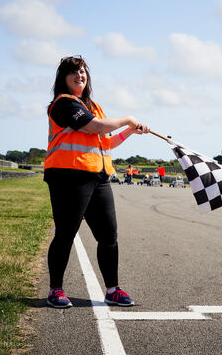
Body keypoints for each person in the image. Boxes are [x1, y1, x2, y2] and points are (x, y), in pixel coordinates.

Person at [43, 55, 150, 308]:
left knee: (109, 235)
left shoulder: (94, 106)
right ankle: (55, 290)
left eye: (82, 72)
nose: (79, 76)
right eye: (73, 73)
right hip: (69, 176)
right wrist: (127, 118)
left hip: (98, 177)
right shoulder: (64, 104)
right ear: (63, 79)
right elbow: (95, 128)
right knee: (66, 234)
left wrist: (129, 132)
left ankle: (112, 289)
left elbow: (105, 141)